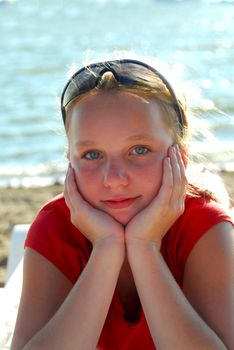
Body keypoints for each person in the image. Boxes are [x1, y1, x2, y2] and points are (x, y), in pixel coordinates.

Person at [11, 58, 234, 350]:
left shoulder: (204, 226)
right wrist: (106, 246)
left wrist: (145, 246)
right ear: (70, 162)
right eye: (92, 154)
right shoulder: (56, 227)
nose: (114, 179)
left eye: (138, 150)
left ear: (180, 157)